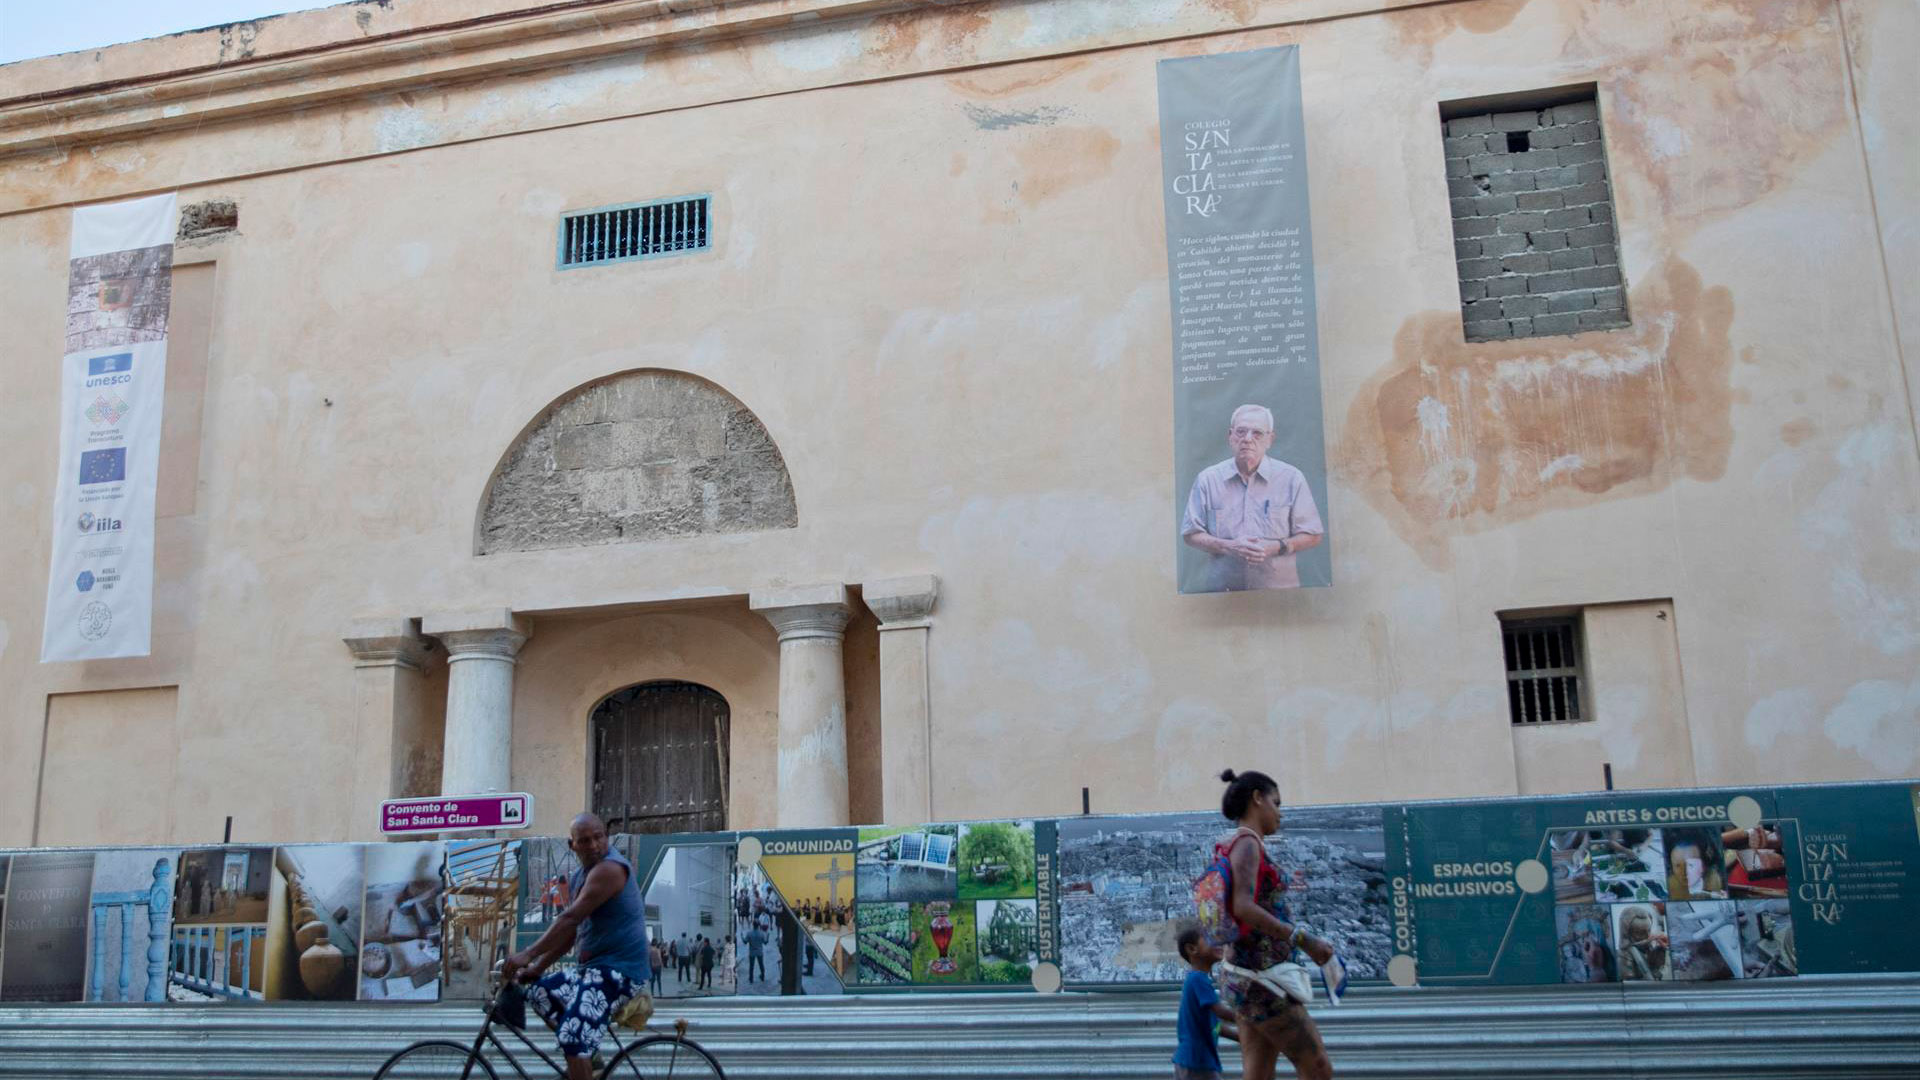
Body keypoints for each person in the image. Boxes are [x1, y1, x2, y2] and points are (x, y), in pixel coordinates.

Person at [500, 813, 653, 1080]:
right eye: (584, 840)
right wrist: (538, 968)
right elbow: (572, 931)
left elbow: (569, 917)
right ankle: (589, 1059)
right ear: (573, 846)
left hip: (619, 971)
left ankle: (581, 1047)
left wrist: (528, 953)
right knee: (539, 993)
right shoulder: (579, 876)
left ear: (606, 837)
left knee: (572, 1036)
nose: (593, 845)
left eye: (598, 837)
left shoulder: (610, 869)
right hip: (594, 970)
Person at [1214, 769, 1337, 1080]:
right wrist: (1304, 940)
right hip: (1262, 981)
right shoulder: (1248, 843)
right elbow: (1243, 906)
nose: (1280, 814)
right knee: (1317, 1066)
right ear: (1257, 799)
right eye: (1277, 803)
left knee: (1258, 1073)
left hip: (1244, 978)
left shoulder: (1236, 843)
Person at [1181, 405, 1324, 591]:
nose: (1247, 439)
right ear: (1230, 436)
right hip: (1223, 594)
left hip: (1279, 592)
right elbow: (1190, 534)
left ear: (1270, 439)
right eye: (1241, 432)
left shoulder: (1291, 478)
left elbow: (1313, 535)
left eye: (1257, 433)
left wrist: (1277, 546)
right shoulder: (1207, 479)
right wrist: (1229, 546)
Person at [1175, 926, 1239, 1080]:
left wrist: (1243, 1038)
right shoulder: (1198, 979)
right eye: (1210, 939)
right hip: (1197, 1059)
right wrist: (1251, 1020)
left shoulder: (1198, 979)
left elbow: (1215, 1026)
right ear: (1192, 949)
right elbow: (1220, 1012)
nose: (1219, 943)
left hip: (1194, 1059)